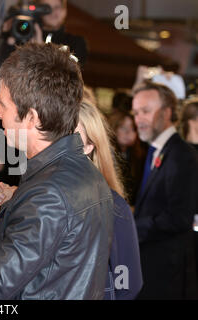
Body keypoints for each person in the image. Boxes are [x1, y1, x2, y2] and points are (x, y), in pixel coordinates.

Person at [0, 42, 113, 300]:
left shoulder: (48, 194)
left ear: (33, 118)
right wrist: (12, 206)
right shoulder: (83, 172)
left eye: (4, 105)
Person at [132, 81, 198, 299]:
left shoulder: (181, 155)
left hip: (165, 272)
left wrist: (133, 227)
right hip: (150, 264)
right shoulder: (157, 151)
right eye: (136, 113)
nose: (138, 119)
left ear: (167, 112)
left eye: (146, 111)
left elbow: (179, 217)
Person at [76, 101, 143, 300]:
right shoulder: (42, 198)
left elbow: (129, 284)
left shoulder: (113, 206)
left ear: (90, 145)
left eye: (71, 136)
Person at [0, 0, 87, 68]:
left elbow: (70, 70)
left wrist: (40, 48)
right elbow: (4, 66)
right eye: (47, 8)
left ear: (64, 10)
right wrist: (9, 39)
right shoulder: (24, 36)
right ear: (39, 12)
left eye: (57, 7)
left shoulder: (76, 43)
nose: (52, 12)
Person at [108, 109, 147, 206]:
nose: (128, 132)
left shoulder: (140, 155)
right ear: (114, 128)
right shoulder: (108, 154)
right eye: (123, 127)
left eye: (132, 128)